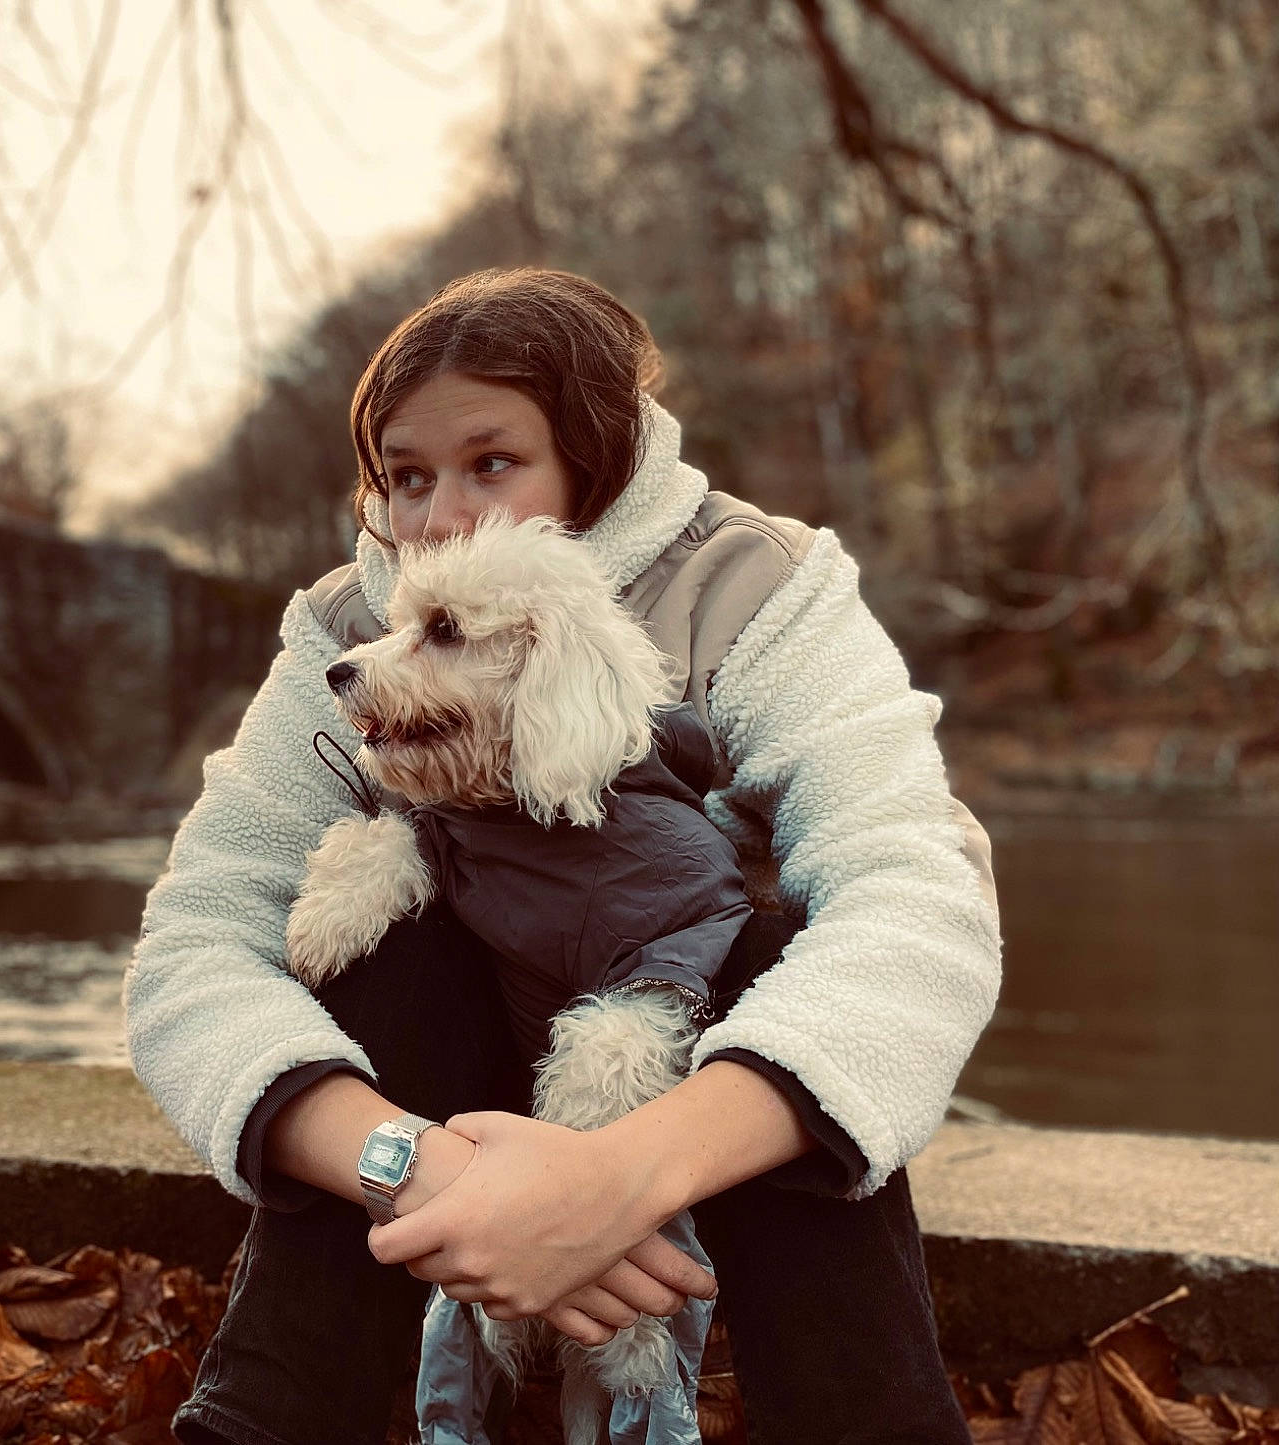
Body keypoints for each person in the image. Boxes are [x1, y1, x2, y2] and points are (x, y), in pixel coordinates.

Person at [124, 268, 1002, 1444]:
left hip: (686, 1062)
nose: (438, 517)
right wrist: (423, 1177)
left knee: (775, 948)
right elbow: (196, 941)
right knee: (374, 920)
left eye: (492, 461)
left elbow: (912, 899)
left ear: (594, 457)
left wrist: (618, 1181)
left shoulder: (755, 583)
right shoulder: (344, 632)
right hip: (440, 1091)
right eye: (405, 476)